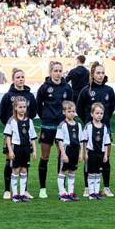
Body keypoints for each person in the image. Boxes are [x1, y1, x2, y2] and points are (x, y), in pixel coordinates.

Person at [77, 62, 115, 197]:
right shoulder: (85, 90)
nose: (100, 75)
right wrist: (88, 122)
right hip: (90, 129)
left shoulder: (109, 90)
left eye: (102, 73)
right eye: (98, 73)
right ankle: (88, 187)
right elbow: (79, 109)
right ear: (92, 74)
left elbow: (110, 109)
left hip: (105, 128)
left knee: (106, 158)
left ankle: (106, 187)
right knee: (89, 159)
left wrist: (104, 122)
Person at [0, 68, 37, 199]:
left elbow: (33, 113)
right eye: (18, 77)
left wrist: (24, 125)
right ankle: (7, 190)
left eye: (22, 77)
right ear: (13, 79)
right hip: (12, 136)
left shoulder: (30, 96)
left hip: (25, 136)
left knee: (25, 163)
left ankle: (24, 190)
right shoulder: (8, 96)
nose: (20, 79)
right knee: (10, 160)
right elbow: (2, 114)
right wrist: (12, 127)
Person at [36, 61, 73, 198]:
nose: (58, 73)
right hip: (47, 126)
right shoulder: (44, 88)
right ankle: (42, 188)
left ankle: (61, 188)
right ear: (50, 72)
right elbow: (38, 105)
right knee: (44, 157)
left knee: (61, 157)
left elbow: (70, 105)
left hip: (62, 126)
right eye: (55, 71)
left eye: (60, 70)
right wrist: (46, 116)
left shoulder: (67, 88)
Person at [4, 96, 37, 203]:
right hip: (16, 148)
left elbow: (32, 137)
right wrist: (10, 150)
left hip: (26, 148)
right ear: (15, 108)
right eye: (20, 107)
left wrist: (35, 151)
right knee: (16, 170)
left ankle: (22, 194)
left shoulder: (30, 121)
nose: (22, 109)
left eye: (24, 107)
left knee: (24, 170)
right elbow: (8, 137)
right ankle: (15, 195)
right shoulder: (11, 121)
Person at [82, 103, 111, 200]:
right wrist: (85, 153)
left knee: (98, 173)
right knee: (91, 173)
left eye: (101, 113)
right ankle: (91, 193)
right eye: (97, 113)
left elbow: (107, 143)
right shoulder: (88, 126)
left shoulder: (105, 127)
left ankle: (96, 192)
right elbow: (85, 141)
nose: (99, 115)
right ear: (92, 114)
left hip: (101, 153)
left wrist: (106, 154)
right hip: (91, 153)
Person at [56, 101, 84, 202]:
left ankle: (71, 192)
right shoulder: (62, 125)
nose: (71, 113)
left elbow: (81, 141)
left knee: (72, 171)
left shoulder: (79, 125)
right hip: (66, 150)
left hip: (75, 150)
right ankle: (62, 193)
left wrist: (81, 154)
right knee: (62, 171)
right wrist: (63, 153)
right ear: (64, 112)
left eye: (73, 111)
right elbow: (60, 140)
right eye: (69, 111)